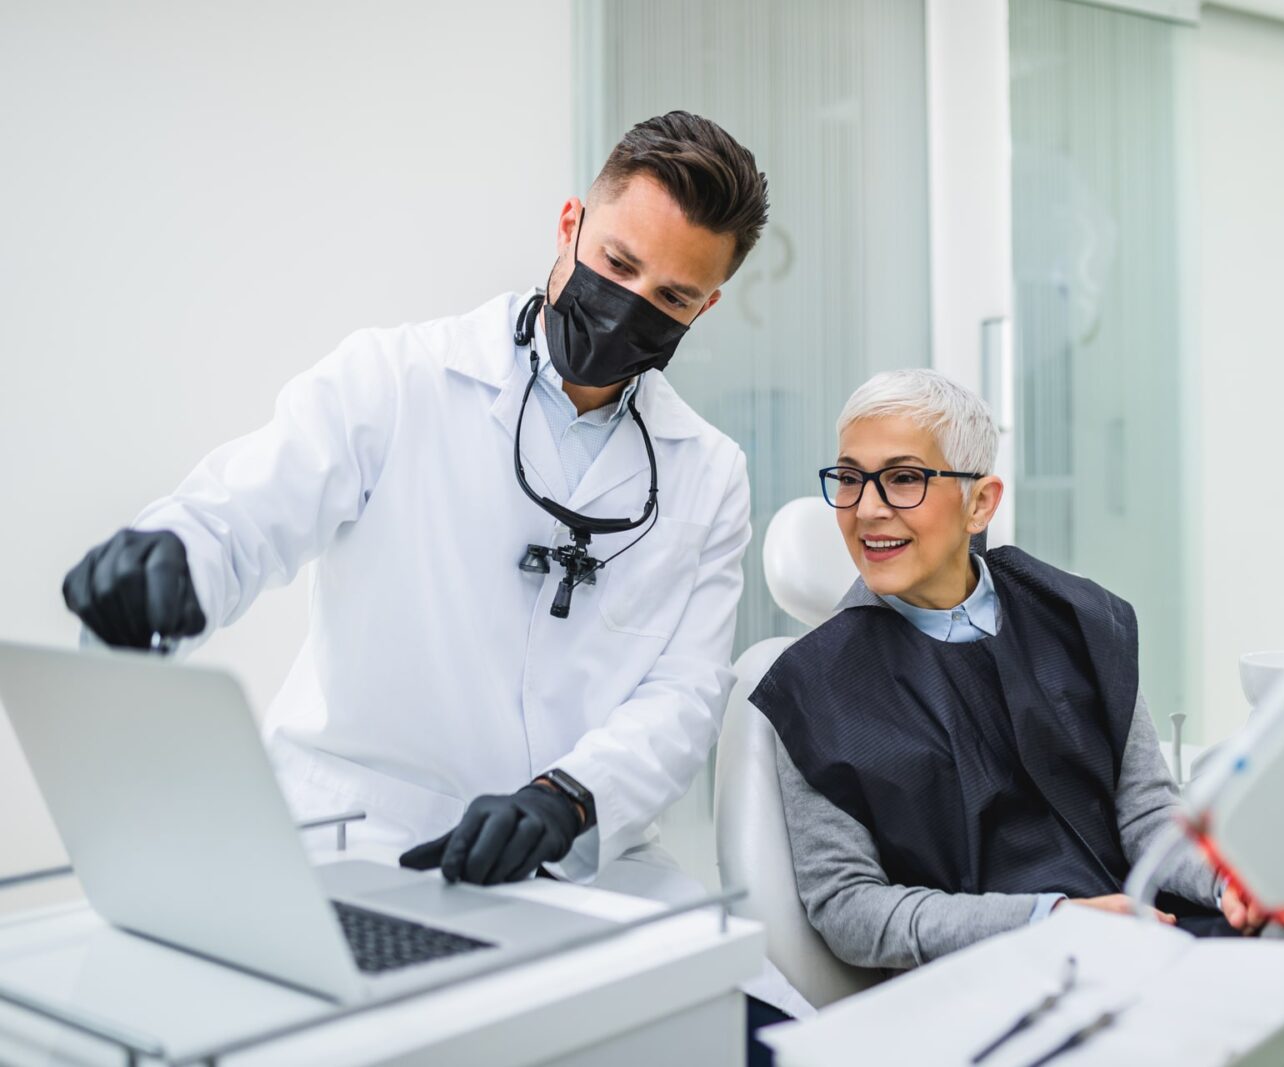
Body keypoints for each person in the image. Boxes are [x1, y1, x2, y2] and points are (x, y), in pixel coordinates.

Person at [60, 113, 807, 1026]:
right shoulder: (399, 378)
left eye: (672, 298)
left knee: (766, 1036)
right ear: (569, 224)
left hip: (582, 861)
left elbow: (684, 695)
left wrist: (571, 798)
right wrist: (171, 554)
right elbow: (245, 510)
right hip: (361, 842)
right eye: (616, 266)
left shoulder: (708, 471)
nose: (632, 307)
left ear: (708, 306)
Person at [748, 368, 1284, 1047]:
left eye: (903, 479)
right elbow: (849, 909)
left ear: (981, 501)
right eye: (849, 479)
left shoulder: (1078, 620)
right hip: (999, 984)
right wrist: (1048, 919)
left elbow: (1146, 814)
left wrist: (1231, 877)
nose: (867, 509)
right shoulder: (814, 689)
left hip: (1150, 929)